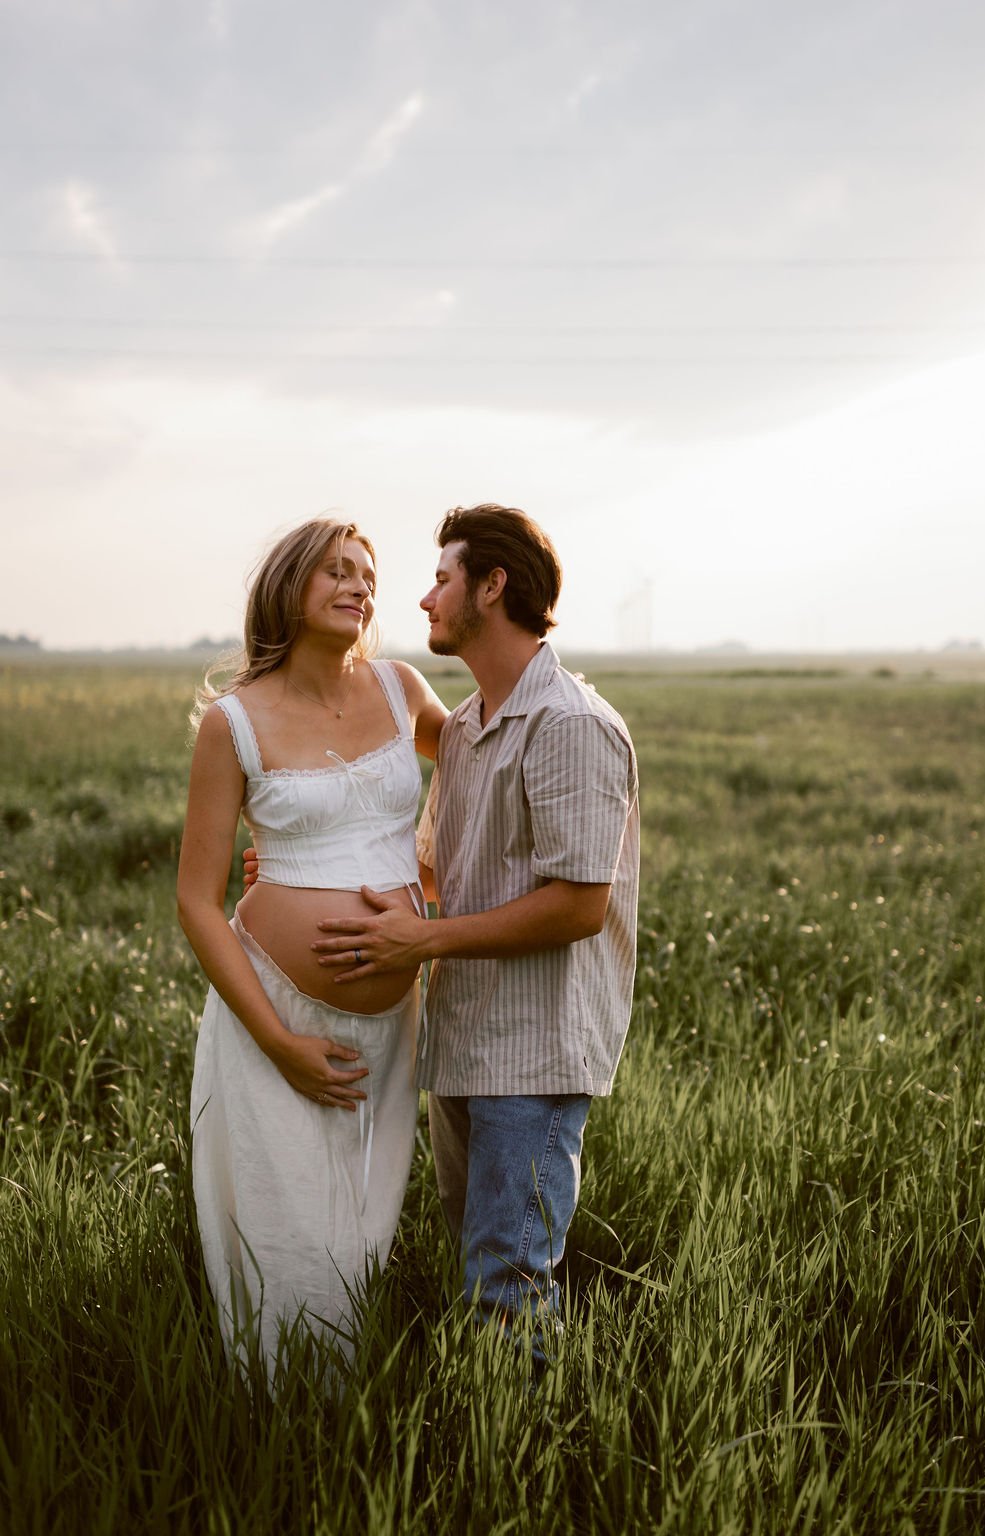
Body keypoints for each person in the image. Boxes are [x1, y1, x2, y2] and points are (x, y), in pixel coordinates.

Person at [312, 504, 640, 1357]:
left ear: (492, 587)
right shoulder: (463, 730)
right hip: (463, 1041)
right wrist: (297, 880)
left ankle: (527, 1473)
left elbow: (580, 905)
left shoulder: (571, 725)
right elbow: (436, 877)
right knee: (483, 1263)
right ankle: (494, 1455)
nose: (422, 600)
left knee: (508, 1284)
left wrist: (425, 942)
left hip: (534, 1053)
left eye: (443, 577)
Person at [177, 517, 447, 1383]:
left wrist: (426, 885)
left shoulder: (403, 690)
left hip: (391, 1020)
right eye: (335, 569)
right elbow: (196, 899)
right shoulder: (234, 723)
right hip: (274, 1011)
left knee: (361, 1232)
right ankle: (277, 1429)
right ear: (289, 586)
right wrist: (280, 1043)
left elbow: (487, 776)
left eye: (367, 572)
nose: (359, 584)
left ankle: (343, 1431)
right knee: (288, 1236)